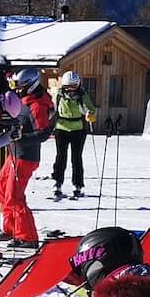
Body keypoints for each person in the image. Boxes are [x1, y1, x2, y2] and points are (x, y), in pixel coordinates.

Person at [0, 70, 50, 244]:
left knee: (14, 196)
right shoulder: (26, 100)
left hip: (25, 157)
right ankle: (11, 229)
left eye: (19, 86)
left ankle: (27, 237)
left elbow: (43, 133)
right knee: (1, 189)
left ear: (29, 84)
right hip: (14, 153)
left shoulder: (37, 105)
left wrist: (21, 138)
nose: (16, 90)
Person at [50, 70, 91, 200]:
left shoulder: (82, 95)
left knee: (76, 158)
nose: (70, 89)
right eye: (68, 86)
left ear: (78, 84)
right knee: (61, 156)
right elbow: (52, 108)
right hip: (61, 128)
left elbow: (88, 107)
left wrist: (90, 114)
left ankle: (78, 185)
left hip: (78, 129)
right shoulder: (59, 95)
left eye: (73, 86)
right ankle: (57, 183)